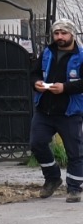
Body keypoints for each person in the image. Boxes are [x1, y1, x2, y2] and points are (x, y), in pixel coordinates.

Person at [33, 20, 83, 200]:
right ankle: (53, 178)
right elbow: (35, 72)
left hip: (69, 111)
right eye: (56, 33)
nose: (59, 37)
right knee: (37, 143)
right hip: (44, 109)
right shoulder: (47, 52)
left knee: (74, 152)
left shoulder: (81, 55)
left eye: (64, 33)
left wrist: (65, 88)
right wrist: (36, 83)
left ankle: (74, 188)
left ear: (72, 34)